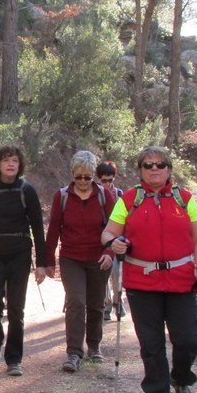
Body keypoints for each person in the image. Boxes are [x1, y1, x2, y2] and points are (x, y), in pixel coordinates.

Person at [101, 146, 197, 393]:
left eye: (160, 164)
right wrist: (114, 243)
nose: (154, 169)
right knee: (151, 345)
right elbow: (109, 232)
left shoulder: (185, 199)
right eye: (148, 165)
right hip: (143, 283)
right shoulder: (128, 200)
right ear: (139, 171)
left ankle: (181, 378)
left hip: (181, 280)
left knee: (187, 340)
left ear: (169, 169)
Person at [0, 145, 47, 376]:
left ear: (19, 164)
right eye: (6, 160)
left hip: (19, 254)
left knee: (16, 308)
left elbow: (37, 227)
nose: (11, 164)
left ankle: (14, 359)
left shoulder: (27, 191)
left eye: (14, 160)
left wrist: (41, 262)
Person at [44, 151, 117, 373]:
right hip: (71, 258)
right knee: (76, 302)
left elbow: (115, 228)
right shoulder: (62, 196)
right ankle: (74, 352)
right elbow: (54, 229)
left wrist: (109, 253)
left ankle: (94, 346)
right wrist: (48, 261)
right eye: (79, 177)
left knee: (96, 304)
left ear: (93, 175)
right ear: (72, 174)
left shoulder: (105, 196)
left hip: (98, 258)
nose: (83, 181)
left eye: (87, 177)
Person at [96, 160, 125, 321]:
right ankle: (106, 304)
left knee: (116, 273)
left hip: (116, 239)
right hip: (100, 240)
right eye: (104, 180)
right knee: (103, 273)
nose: (107, 183)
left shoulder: (120, 195)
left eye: (110, 180)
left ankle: (117, 302)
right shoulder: (95, 194)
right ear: (98, 179)